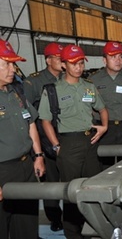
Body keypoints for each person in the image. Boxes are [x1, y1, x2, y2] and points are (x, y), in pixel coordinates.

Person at [38, 44, 108, 238]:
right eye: (73, 63)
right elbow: (45, 121)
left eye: (80, 63)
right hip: (68, 144)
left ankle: (95, 228)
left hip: (90, 142)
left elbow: (102, 108)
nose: (78, 67)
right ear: (63, 64)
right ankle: (73, 233)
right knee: (71, 192)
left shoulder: (89, 87)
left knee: (93, 188)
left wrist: (104, 126)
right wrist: (57, 146)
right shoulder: (53, 90)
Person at [0, 39, 46, 239]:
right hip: (3, 171)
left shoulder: (16, 92)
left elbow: (31, 123)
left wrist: (38, 155)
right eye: (7, 64)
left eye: (13, 64)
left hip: (26, 166)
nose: (13, 69)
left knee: (27, 225)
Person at [23, 42, 64, 232]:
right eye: (58, 58)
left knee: (70, 176)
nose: (62, 61)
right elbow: (27, 114)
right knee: (51, 180)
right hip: (45, 136)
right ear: (48, 60)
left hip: (66, 133)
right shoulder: (34, 82)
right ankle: (54, 217)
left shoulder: (69, 78)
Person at [88, 41, 122, 168]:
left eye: (120, 57)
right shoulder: (93, 80)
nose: (118, 60)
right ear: (104, 60)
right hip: (104, 129)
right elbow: (88, 104)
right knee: (105, 164)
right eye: (113, 57)